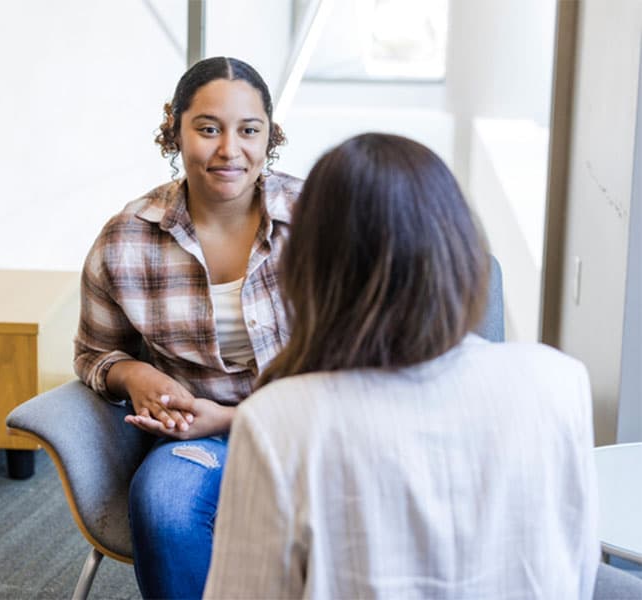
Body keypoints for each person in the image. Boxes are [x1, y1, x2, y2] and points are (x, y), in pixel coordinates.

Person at [204, 133, 600, 599]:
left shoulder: (280, 420)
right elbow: (576, 565)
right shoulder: (558, 381)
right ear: (461, 252)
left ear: (311, 268)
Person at [73, 56, 302, 599]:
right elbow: (92, 351)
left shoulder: (322, 219)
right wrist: (132, 376)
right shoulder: (127, 239)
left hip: (314, 432)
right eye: (207, 129)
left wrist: (229, 417)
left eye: (249, 130)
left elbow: (367, 364)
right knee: (165, 504)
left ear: (270, 136)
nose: (229, 150)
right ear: (174, 131)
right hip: (198, 438)